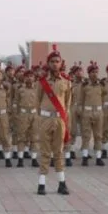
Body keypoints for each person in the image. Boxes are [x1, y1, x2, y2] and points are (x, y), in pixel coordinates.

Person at [36, 45, 72, 194]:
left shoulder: (66, 82)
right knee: (45, 152)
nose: (55, 64)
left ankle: (61, 184)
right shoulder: (42, 82)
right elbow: (37, 101)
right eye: (52, 61)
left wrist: (64, 119)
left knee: (58, 152)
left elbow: (68, 102)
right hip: (45, 120)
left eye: (58, 61)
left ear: (61, 63)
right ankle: (41, 184)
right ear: (48, 63)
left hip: (59, 121)